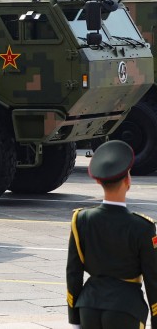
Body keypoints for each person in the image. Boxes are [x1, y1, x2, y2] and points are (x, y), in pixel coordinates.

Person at [66, 140, 157, 329]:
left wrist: (74, 319)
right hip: (126, 308)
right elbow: (153, 280)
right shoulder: (143, 227)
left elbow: (73, 273)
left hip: (88, 306)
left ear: (98, 181)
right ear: (128, 181)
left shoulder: (81, 220)